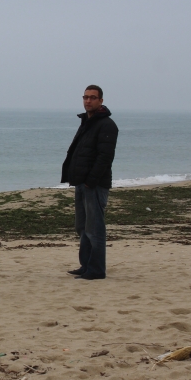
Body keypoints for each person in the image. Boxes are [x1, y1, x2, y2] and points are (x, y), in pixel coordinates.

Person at [61, 85, 118, 280]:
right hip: (81, 182)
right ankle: (86, 265)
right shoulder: (87, 122)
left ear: (101, 101)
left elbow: (105, 157)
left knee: (95, 229)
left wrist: (91, 181)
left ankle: (96, 270)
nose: (88, 101)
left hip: (94, 185)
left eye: (93, 97)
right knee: (82, 227)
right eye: (85, 97)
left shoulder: (107, 125)